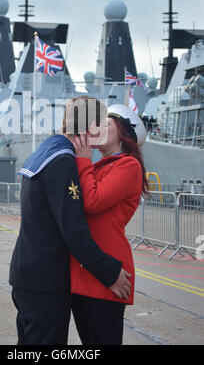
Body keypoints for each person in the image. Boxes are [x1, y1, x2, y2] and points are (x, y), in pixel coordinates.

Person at [9, 97, 132, 345]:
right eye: (103, 123)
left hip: (28, 275)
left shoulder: (47, 150)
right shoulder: (63, 162)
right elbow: (73, 231)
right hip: (46, 282)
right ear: (91, 128)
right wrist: (110, 273)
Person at [70, 103, 148, 345]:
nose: (98, 127)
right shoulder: (95, 167)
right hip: (83, 270)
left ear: (123, 132)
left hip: (109, 272)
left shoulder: (128, 166)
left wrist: (82, 159)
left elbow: (92, 202)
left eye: (106, 124)